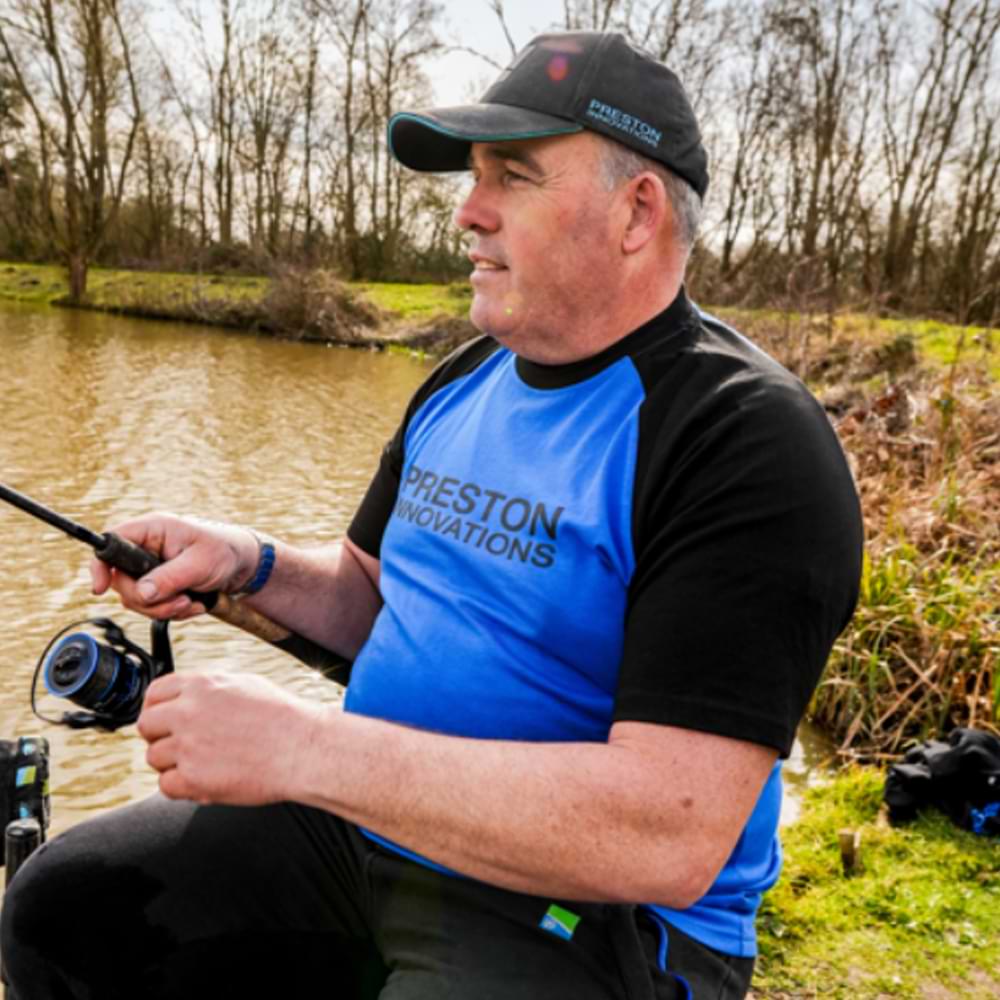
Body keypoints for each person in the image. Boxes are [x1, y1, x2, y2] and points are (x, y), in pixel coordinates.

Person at [0, 31, 863, 1000]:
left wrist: (303, 748)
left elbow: (667, 830)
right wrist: (247, 566)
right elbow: (376, 597)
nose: (467, 211)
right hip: (366, 821)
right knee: (61, 909)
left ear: (636, 210)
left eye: (514, 177)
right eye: (472, 177)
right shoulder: (463, 379)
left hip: (597, 911)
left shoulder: (744, 442)